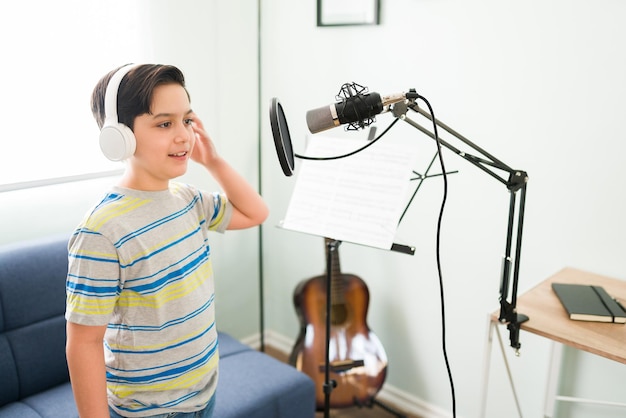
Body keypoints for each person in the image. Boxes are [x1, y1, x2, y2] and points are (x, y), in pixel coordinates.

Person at [65, 63, 269, 418]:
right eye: (164, 123)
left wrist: (214, 161)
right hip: (149, 411)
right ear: (120, 136)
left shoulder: (189, 200)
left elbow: (256, 213)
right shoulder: (102, 230)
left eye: (187, 121)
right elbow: (83, 343)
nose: (184, 136)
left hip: (203, 393)